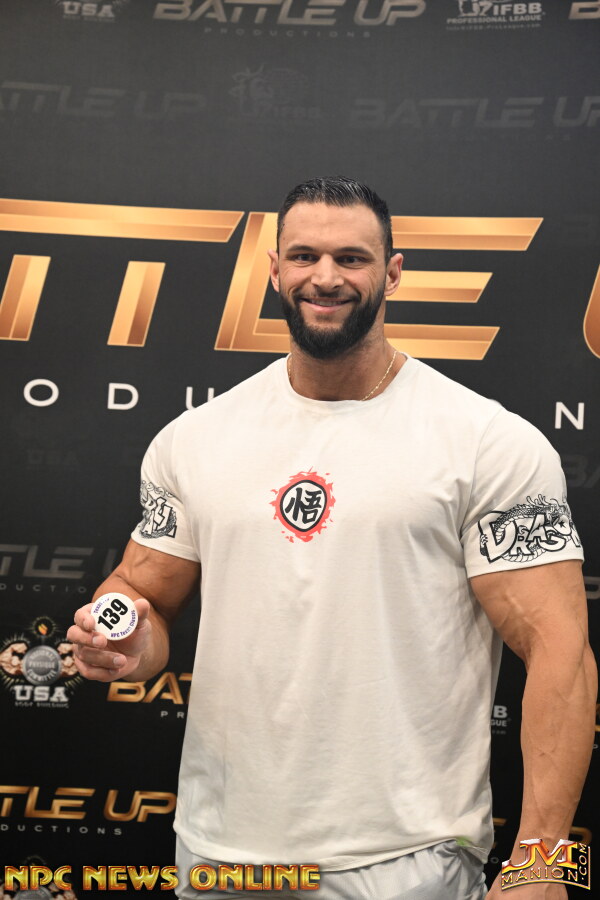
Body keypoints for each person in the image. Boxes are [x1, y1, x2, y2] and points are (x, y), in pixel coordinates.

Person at [68, 176, 596, 900]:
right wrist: (128, 644)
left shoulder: (489, 442)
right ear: (274, 270)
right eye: (304, 256)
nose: (326, 277)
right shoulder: (193, 440)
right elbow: (145, 600)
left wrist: (543, 865)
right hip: (219, 853)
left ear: (393, 272)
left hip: (409, 860)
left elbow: (561, 649)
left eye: (352, 258)